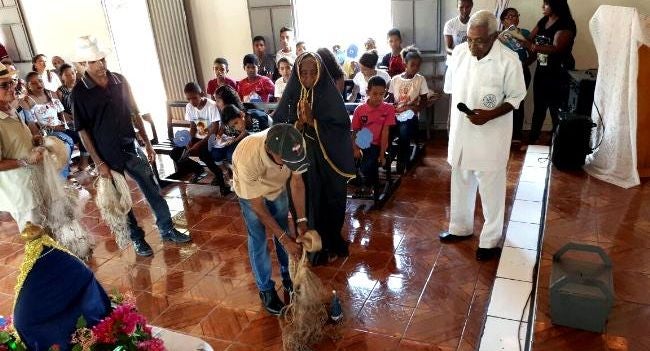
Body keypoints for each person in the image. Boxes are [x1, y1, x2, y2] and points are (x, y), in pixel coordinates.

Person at [71, 35, 190, 257]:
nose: (101, 65)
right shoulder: (79, 93)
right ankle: (137, 239)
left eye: (102, 59)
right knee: (123, 201)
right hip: (107, 155)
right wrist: (99, 163)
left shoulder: (119, 80)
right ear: (83, 65)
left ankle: (167, 228)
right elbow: (82, 130)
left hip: (131, 146)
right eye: (94, 61)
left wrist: (147, 143)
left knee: (152, 189)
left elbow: (134, 112)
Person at [440, 11, 526, 261]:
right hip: (461, 132)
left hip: (490, 136)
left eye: (479, 41)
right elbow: (450, 89)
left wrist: (491, 114)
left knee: (491, 192)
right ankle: (460, 228)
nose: (472, 46)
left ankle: (489, 242)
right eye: (469, 39)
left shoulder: (509, 61)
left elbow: (515, 98)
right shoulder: (458, 54)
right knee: (460, 182)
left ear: (495, 36)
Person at [273, 52, 355, 266]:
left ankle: (330, 242)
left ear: (319, 73)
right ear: (297, 74)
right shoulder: (291, 94)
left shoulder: (328, 94)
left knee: (330, 201)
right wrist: (298, 124)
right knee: (306, 203)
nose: (308, 77)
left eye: (312, 72)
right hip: (300, 163)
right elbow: (279, 126)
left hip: (327, 162)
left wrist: (313, 121)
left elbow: (341, 127)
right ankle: (312, 246)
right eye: (303, 73)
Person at [231, 123, 309, 315]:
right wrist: (285, 240)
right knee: (258, 237)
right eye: (286, 161)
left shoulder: (294, 142)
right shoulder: (247, 157)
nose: (291, 165)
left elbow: (297, 183)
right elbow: (257, 207)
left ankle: (288, 277)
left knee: (282, 227)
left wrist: (302, 223)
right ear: (269, 150)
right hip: (250, 192)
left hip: (276, 187)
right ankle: (265, 289)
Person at [518, 0, 576, 144]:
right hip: (542, 70)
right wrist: (513, 34)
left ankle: (558, 143)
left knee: (556, 109)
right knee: (539, 107)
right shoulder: (544, 20)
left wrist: (532, 46)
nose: (542, 7)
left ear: (556, 5)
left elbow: (556, 48)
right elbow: (530, 39)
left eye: (546, 4)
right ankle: (532, 139)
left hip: (559, 72)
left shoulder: (566, 24)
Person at [0, 62, 45, 232]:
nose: (11, 87)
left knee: (48, 232)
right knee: (36, 240)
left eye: (12, 82)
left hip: (34, 185)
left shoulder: (11, 109)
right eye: (5, 85)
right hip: (21, 194)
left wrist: (33, 140)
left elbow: (16, 143)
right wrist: (25, 161)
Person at [169, 82, 231, 194]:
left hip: (211, 139)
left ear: (201, 94)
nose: (192, 101)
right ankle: (198, 169)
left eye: (194, 98)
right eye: (189, 99)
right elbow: (192, 126)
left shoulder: (211, 106)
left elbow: (214, 130)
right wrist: (189, 139)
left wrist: (199, 144)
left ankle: (222, 183)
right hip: (198, 138)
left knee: (204, 154)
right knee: (175, 153)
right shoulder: (189, 107)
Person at [387, 46, 429, 173]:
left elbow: (424, 101)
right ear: (405, 63)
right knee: (385, 129)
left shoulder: (420, 79)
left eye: (418, 65)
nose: (416, 68)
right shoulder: (395, 80)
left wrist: (412, 108)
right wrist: (391, 108)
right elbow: (389, 100)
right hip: (395, 113)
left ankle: (402, 160)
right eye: (413, 65)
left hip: (410, 115)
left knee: (404, 132)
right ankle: (387, 157)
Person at [24, 71, 73, 179]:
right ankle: (61, 177)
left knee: (81, 131)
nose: (38, 84)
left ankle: (68, 169)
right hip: (46, 131)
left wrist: (66, 123)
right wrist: (54, 128)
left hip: (59, 126)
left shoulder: (51, 93)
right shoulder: (28, 100)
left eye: (40, 81)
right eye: (33, 83)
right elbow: (34, 123)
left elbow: (60, 113)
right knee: (65, 144)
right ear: (28, 86)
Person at [351, 76, 396, 195]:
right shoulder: (359, 110)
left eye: (382, 94)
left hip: (379, 142)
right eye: (375, 93)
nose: (378, 97)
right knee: (362, 152)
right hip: (363, 140)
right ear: (367, 92)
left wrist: (382, 154)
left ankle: (363, 178)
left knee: (371, 156)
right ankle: (365, 179)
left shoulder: (389, 108)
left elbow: (386, 132)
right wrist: (355, 149)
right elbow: (355, 131)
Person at [498, 7, 532, 143]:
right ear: (503, 20)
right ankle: (504, 133)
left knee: (518, 102)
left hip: (522, 71)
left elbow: (534, 52)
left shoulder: (525, 33)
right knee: (503, 102)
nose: (514, 19)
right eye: (510, 17)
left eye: (516, 16)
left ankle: (516, 134)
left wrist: (525, 63)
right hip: (504, 73)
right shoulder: (498, 36)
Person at [56, 63, 90, 171]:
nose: (72, 76)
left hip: (84, 118)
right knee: (81, 133)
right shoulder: (60, 91)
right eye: (67, 75)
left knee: (88, 130)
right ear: (62, 77)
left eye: (72, 73)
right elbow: (60, 111)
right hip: (70, 121)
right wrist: (66, 116)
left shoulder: (82, 86)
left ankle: (85, 161)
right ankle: (78, 163)